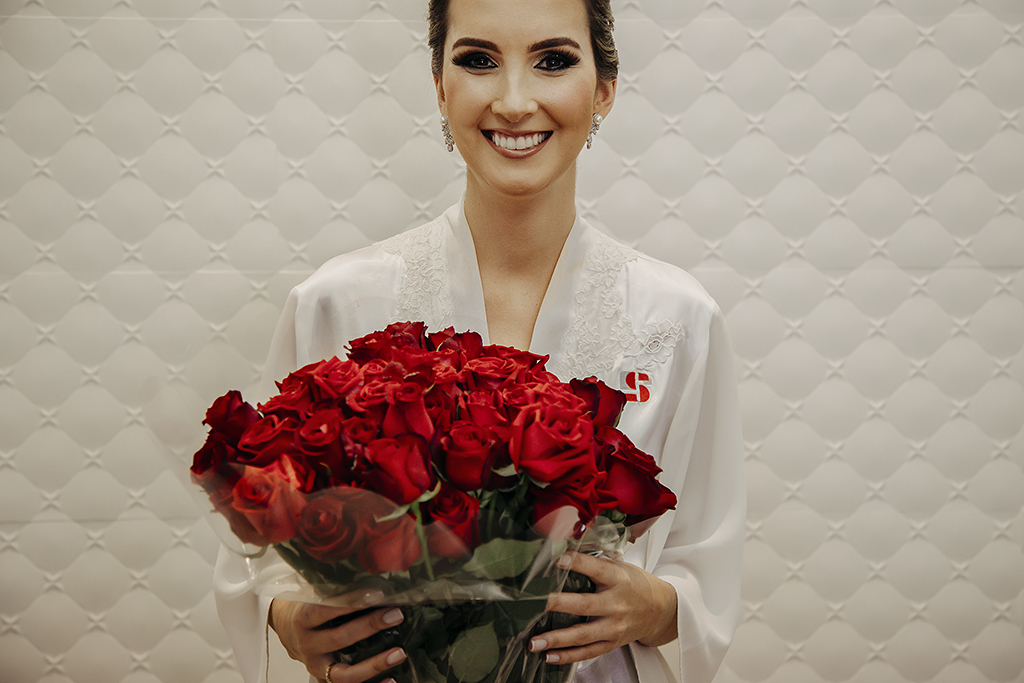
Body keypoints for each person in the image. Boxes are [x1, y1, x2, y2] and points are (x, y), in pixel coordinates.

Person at [213, 1, 745, 682]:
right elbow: (258, 533)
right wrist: (288, 616)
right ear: (440, 85)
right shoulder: (336, 303)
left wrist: (654, 605)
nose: (515, 101)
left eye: (553, 60)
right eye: (478, 60)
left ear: (604, 88)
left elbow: (705, 563)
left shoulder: (679, 319)